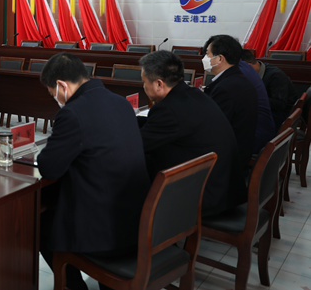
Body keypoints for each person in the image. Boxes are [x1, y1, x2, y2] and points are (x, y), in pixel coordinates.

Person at [37, 53, 150, 290]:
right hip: (136, 220)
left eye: (52, 93)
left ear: (61, 85)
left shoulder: (72, 113)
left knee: (40, 223)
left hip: (105, 231)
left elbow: (49, 167)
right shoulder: (120, 102)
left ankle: (74, 287)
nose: (55, 99)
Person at [139, 51, 246, 215]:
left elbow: (137, 145)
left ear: (159, 84)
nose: (143, 86)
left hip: (206, 198)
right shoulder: (192, 94)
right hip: (224, 189)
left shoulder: (168, 110)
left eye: (144, 81)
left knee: (132, 171)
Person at [202, 35, 258, 174]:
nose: (204, 58)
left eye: (208, 54)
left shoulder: (226, 88)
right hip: (238, 149)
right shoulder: (236, 79)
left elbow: (213, 130)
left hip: (227, 160)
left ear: (220, 58)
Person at [241, 49, 298, 129]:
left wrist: (250, 99)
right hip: (264, 112)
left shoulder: (276, 76)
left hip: (279, 116)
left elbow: (279, 104)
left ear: (248, 66)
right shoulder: (259, 69)